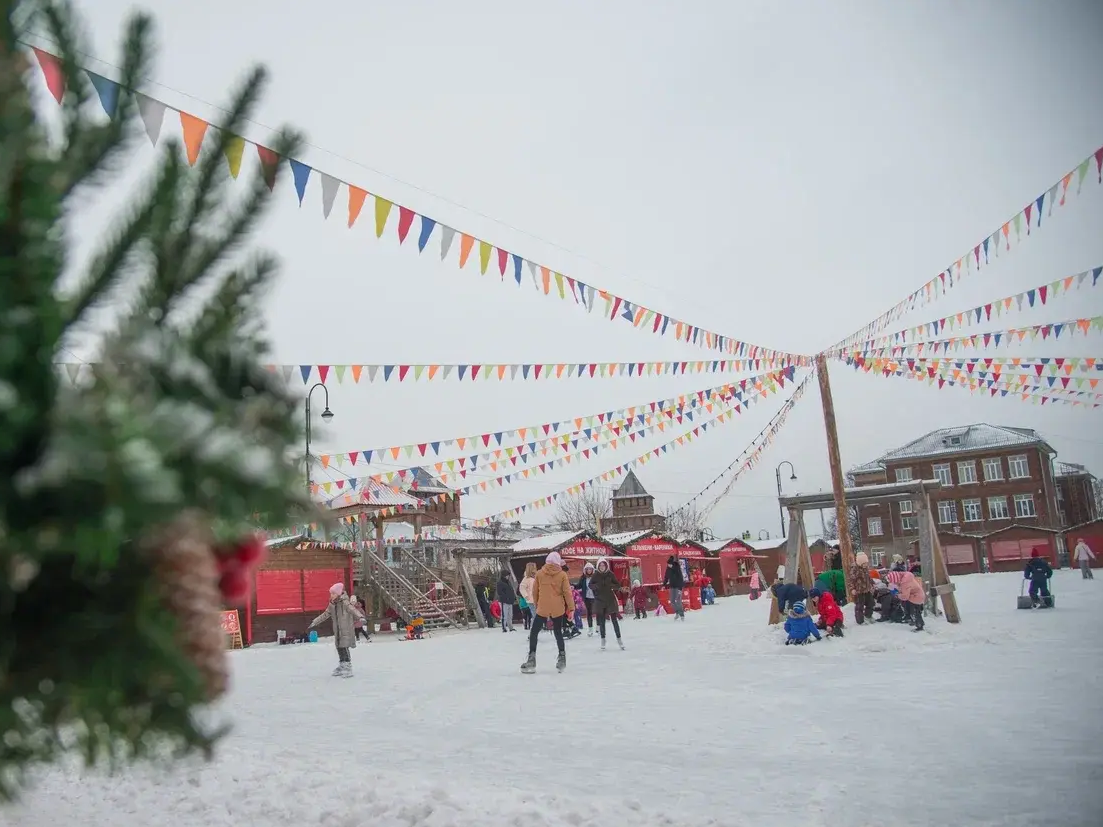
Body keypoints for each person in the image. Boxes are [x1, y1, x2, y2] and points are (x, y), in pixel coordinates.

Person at [521, 551, 574, 673]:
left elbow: (535, 592)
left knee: (534, 632)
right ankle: (562, 658)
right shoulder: (562, 575)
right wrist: (571, 609)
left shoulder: (539, 574)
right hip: (558, 608)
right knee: (558, 632)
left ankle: (531, 659)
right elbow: (567, 593)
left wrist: (537, 605)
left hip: (542, 607)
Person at [308, 582, 366, 677]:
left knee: (344, 647)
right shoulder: (332, 605)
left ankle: (348, 666)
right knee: (339, 647)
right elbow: (325, 614)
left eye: (333, 593)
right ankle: (342, 664)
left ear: (339, 594)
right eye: (331, 594)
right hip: (338, 630)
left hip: (346, 630)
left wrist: (360, 617)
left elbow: (353, 610)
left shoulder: (345, 602)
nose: (331, 596)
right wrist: (315, 621)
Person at [590, 557, 625, 650]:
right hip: (600, 601)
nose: (602, 567)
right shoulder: (595, 575)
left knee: (614, 621)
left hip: (610, 600)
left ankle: (619, 639)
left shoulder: (610, 574)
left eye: (603, 565)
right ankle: (603, 639)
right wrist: (596, 587)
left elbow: (617, 585)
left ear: (606, 566)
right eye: (600, 565)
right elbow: (590, 585)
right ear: (598, 566)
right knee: (602, 622)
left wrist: (611, 586)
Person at [849, 551, 875, 625]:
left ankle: (868, 616)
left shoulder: (865, 568)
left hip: (867, 589)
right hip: (859, 591)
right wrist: (852, 589)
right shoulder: (855, 569)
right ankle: (860, 621)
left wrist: (872, 583)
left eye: (866, 563)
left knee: (871, 603)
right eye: (864, 563)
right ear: (860, 563)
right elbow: (851, 580)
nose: (866, 565)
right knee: (859, 606)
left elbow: (868, 577)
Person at [663, 554, 686, 620]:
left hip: (678, 587)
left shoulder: (677, 568)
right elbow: (666, 577)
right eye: (668, 564)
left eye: (669, 564)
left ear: (672, 564)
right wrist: (664, 584)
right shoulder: (668, 569)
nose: (668, 565)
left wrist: (680, 589)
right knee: (672, 601)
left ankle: (682, 615)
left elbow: (681, 578)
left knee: (678, 601)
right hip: (672, 586)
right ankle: (677, 612)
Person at [577, 561, 597, 636]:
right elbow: (579, 586)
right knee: (589, 613)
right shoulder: (583, 578)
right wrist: (572, 585)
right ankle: (590, 629)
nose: (589, 570)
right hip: (587, 597)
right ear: (585, 570)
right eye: (587, 569)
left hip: (595, 597)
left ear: (592, 570)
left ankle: (598, 627)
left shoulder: (595, 577)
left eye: (590, 569)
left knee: (598, 612)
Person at [519, 562, 537, 629]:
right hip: (531, 600)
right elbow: (521, 588)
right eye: (534, 567)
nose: (535, 569)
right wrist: (526, 596)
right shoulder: (526, 578)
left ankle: (535, 629)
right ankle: (533, 631)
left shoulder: (535, 577)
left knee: (537, 616)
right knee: (535, 616)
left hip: (537, 599)